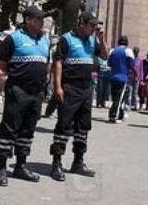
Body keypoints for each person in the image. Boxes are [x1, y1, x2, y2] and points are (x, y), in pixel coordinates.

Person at [0, 5, 50, 187]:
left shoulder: (45, 39)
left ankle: (20, 166)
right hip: (18, 90)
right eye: (38, 19)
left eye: (42, 19)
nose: (42, 22)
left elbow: (46, 62)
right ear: (28, 20)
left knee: (28, 129)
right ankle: (1, 167)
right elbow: (0, 61)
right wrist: (16, 75)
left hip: (37, 92)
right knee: (10, 128)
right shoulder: (14, 38)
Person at [49, 12, 107, 181]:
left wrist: (101, 39)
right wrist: (58, 86)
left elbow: (104, 55)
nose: (94, 28)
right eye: (92, 25)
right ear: (82, 23)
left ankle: (78, 162)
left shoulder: (92, 40)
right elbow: (58, 62)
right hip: (70, 89)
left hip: (86, 89)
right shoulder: (66, 39)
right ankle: (56, 163)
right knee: (64, 126)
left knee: (83, 127)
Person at [107, 36, 135, 123]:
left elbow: (109, 63)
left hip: (113, 76)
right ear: (126, 43)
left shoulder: (112, 50)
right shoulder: (128, 51)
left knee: (116, 97)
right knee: (119, 98)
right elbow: (132, 64)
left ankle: (120, 115)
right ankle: (113, 116)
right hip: (122, 77)